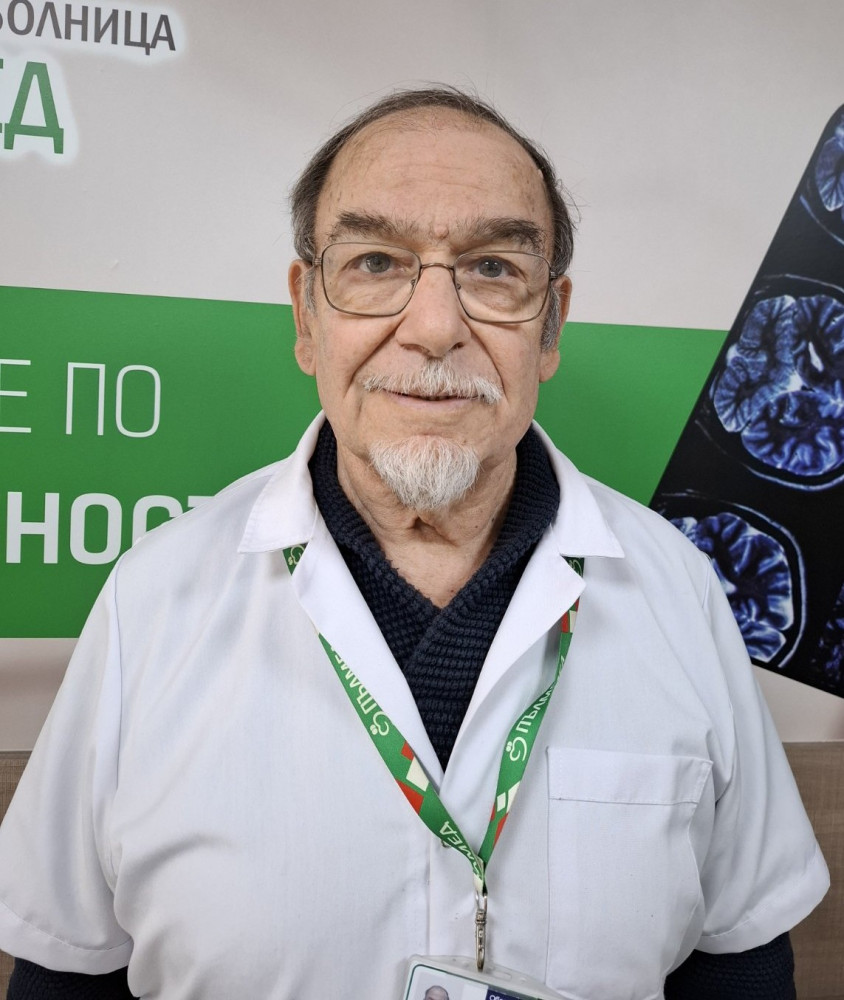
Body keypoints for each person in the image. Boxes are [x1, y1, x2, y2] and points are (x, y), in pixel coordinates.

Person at [0, 87, 829, 999]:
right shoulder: (152, 600)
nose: (435, 328)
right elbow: (66, 970)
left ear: (550, 327)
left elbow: (739, 959)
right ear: (306, 316)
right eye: (375, 262)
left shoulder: (678, 589)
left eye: (493, 268)